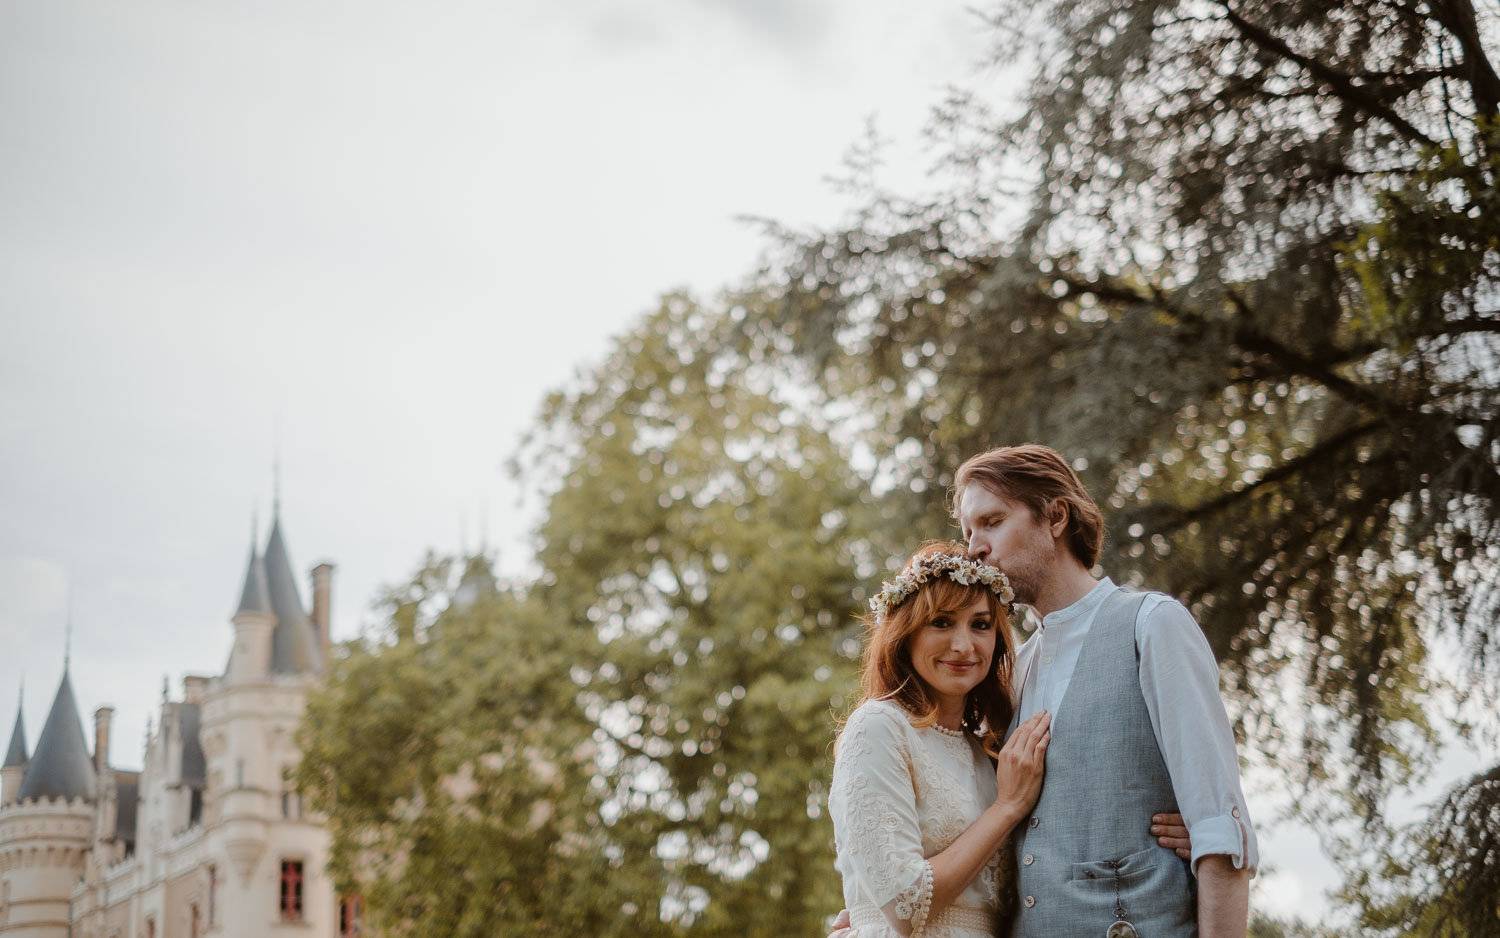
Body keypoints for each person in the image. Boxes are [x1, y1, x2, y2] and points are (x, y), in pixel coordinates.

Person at [953, 444, 1257, 938]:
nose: (974, 549)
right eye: (968, 533)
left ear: (1055, 517)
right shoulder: (1011, 672)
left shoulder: (1153, 626)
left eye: (991, 522)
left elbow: (1220, 832)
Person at [829, 541, 1187, 938]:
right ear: (906, 632)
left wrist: (1174, 837)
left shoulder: (989, 751)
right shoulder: (879, 727)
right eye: (942, 622)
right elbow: (903, 906)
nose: (964, 646)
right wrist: (1007, 807)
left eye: (980, 625)